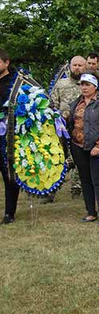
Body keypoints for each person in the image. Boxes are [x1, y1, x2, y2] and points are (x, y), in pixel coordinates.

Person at [68, 73, 99, 226]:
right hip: (78, 147)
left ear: (95, 86)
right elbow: (71, 122)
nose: (84, 87)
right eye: (82, 84)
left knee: (98, 180)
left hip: (97, 148)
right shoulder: (76, 103)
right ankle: (90, 212)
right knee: (85, 179)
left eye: (88, 84)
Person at [46, 55, 87, 202]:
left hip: (82, 129)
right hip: (62, 129)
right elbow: (51, 105)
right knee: (58, 159)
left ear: (85, 67)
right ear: (70, 66)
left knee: (79, 160)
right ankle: (51, 191)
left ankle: (77, 189)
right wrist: (58, 117)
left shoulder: (89, 85)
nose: (77, 67)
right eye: (74, 65)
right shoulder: (61, 84)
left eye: (80, 65)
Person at [0, 50, 19, 225]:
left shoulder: (15, 84)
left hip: (7, 135)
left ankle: (9, 212)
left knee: (9, 175)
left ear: (6, 62)